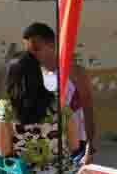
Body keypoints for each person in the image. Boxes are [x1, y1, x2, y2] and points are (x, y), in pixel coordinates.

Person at [21, 22, 97, 166]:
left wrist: (90, 147)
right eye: (29, 52)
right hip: (48, 144)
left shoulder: (74, 72)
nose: (32, 55)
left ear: (51, 45)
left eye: (36, 49)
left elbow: (88, 109)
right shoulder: (31, 76)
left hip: (76, 144)